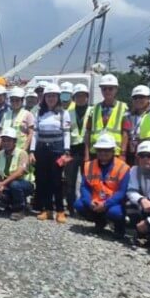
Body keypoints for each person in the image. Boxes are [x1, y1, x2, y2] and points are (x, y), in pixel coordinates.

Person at [75, 134, 130, 237]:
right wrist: (89, 201)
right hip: (95, 201)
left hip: (113, 203)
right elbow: (84, 186)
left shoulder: (123, 167)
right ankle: (100, 222)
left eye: (107, 150)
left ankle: (119, 227)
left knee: (115, 213)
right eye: (100, 150)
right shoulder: (89, 165)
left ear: (113, 151)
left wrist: (106, 204)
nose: (103, 153)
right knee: (79, 205)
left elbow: (122, 192)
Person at [31, 83, 71, 223]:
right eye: (48, 96)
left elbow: (67, 134)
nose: (51, 98)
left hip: (57, 151)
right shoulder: (39, 113)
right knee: (43, 180)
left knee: (57, 181)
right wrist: (32, 151)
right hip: (42, 151)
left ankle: (60, 211)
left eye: (54, 96)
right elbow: (35, 134)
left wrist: (66, 151)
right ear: (44, 98)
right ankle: (47, 210)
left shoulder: (63, 113)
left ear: (58, 97)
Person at [84, 73, 130, 160]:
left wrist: (123, 153)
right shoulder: (94, 109)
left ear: (116, 89)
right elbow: (88, 133)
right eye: (104, 89)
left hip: (114, 152)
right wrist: (86, 154)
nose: (107, 91)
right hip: (96, 152)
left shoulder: (124, 108)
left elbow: (125, 133)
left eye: (110, 88)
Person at [0, 128, 34, 221]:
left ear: (14, 141)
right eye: (4, 140)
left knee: (14, 185)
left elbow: (20, 172)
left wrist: (3, 184)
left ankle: (19, 210)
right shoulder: (0, 154)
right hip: (7, 183)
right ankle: (11, 205)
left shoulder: (22, 153)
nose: (6, 143)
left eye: (9, 140)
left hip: (25, 183)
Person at [65, 83, 90, 214]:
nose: (80, 98)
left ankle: (85, 206)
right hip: (72, 149)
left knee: (87, 180)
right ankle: (70, 206)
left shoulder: (92, 111)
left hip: (87, 150)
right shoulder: (68, 113)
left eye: (83, 96)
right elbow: (66, 132)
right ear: (74, 98)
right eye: (78, 96)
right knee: (70, 180)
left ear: (87, 97)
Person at [0, 86, 34, 153]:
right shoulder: (6, 115)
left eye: (17, 100)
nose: (14, 102)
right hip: (6, 150)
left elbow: (31, 134)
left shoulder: (28, 114)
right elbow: (1, 133)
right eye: (12, 100)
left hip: (21, 150)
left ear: (22, 101)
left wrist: (25, 149)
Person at [125, 85, 150, 165]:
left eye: (141, 97)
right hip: (130, 152)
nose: (138, 100)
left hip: (145, 152)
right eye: (135, 98)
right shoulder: (128, 115)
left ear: (148, 98)